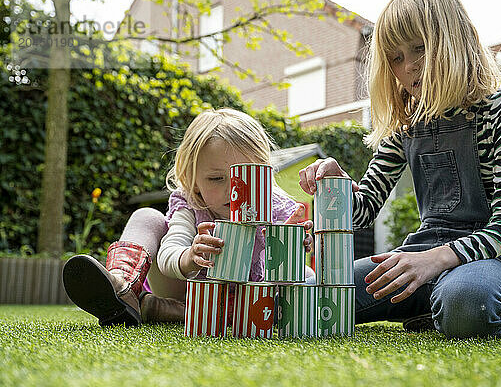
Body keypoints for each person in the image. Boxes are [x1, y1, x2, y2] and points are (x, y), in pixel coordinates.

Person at [299, 0, 501, 339]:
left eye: (419, 48)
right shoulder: (405, 124)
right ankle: (427, 301)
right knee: (313, 296)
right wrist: (338, 186)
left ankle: (447, 297)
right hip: (418, 256)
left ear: (455, 39)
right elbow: (363, 211)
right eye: (396, 57)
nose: (408, 66)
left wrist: (437, 260)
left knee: (469, 304)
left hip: (488, 259)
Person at [63, 108, 314, 326]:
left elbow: (287, 272)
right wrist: (189, 257)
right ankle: (122, 286)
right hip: (187, 290)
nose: (233, 190)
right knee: (147, 216)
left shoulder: (279, 209)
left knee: (309, 278)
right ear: (193, 181)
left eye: (246, 176)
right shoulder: (192, 205)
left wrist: (293, 242)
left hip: (252, 301)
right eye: (217, 178)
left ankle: (163, 310)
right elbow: (168, 254)